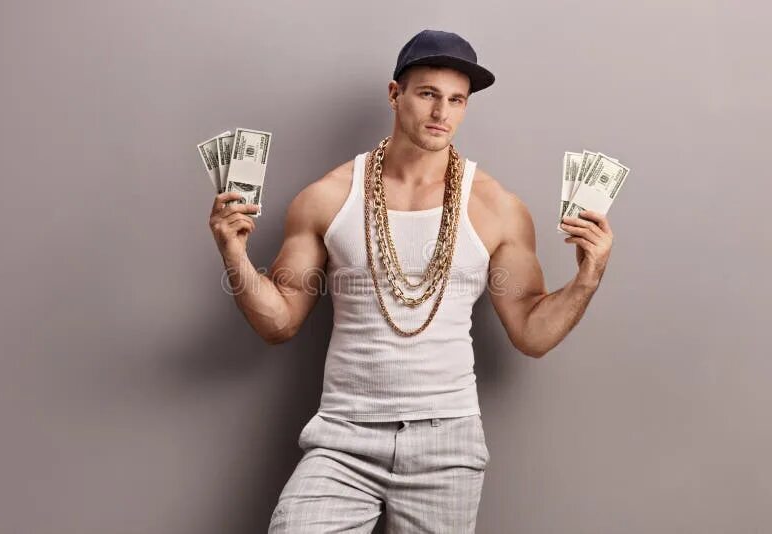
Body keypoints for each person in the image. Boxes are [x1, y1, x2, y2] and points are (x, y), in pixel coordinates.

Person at [208, 28, 614, 534]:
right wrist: (235, 254)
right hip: (343, 435)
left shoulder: (496, 208)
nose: (442, 113)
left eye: (456, 100)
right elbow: (280, 321)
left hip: (447, 441)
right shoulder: (328, 196)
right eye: (428, 94)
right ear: (394, 94)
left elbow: (532, 334)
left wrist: (588, 275)